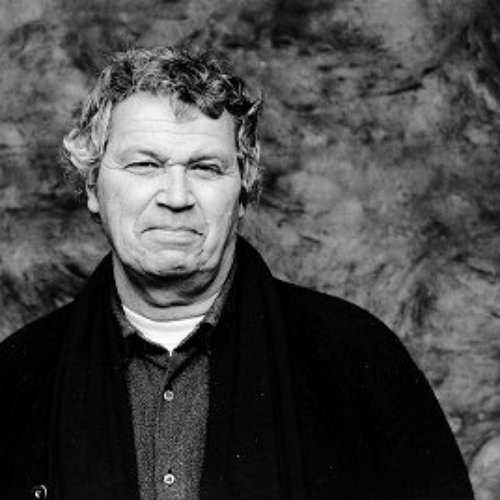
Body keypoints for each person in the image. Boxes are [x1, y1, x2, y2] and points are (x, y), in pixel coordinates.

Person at [0, 46, 473, 500]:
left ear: (244, 188)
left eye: (206, 168)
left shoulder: (359, 359)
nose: (176, 197)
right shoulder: (16, 377)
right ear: (92, 186)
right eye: (145, 165)